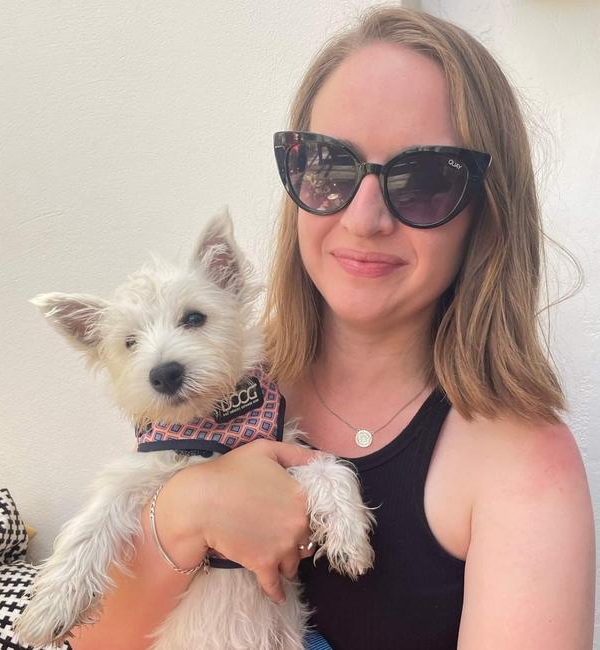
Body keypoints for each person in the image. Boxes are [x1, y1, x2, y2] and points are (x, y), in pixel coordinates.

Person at [69, 7, 595, 650]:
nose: (364, 217)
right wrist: (185, 513)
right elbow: (94, 643)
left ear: (487, 212)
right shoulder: (220, 380)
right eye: (329, 166)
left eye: (425, 178)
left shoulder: (524, 465)